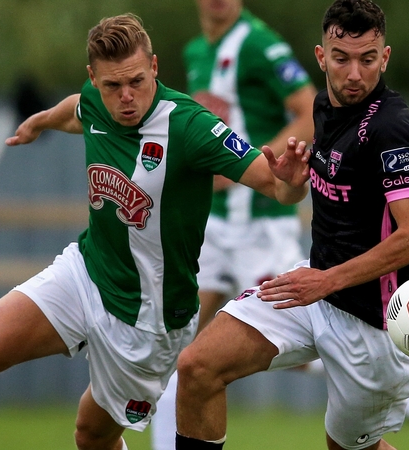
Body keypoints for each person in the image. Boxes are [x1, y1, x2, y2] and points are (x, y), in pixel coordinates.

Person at [0, 13, 309, 450]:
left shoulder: (192, 127)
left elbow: (274, 186)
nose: (126, 97)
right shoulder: (97, 99)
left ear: (154, 67)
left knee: (91, 436)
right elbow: (76, 108)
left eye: (136, 81)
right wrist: (41, 122)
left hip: (149, 321)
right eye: (112, 86)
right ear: (95, 77)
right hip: (86, 273)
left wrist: (292, 182)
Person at [174, 1, 409, 449]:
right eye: (342, 59)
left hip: (372, 326)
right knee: (197, 367)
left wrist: (326, 281)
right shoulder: (324, 106)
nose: (354, 74)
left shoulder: (391, 129)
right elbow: (307, 196)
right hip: (313, 292)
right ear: (322, 57)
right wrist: (289, 186)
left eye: (367, 59)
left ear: (385, 57)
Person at [149, 1, 317, 448]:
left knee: (298, 343)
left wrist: (257, 163)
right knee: (173, 344)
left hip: (261, 225)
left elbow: (311, 110)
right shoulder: (195, 52)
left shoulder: (259, 42)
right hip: (217, 227)